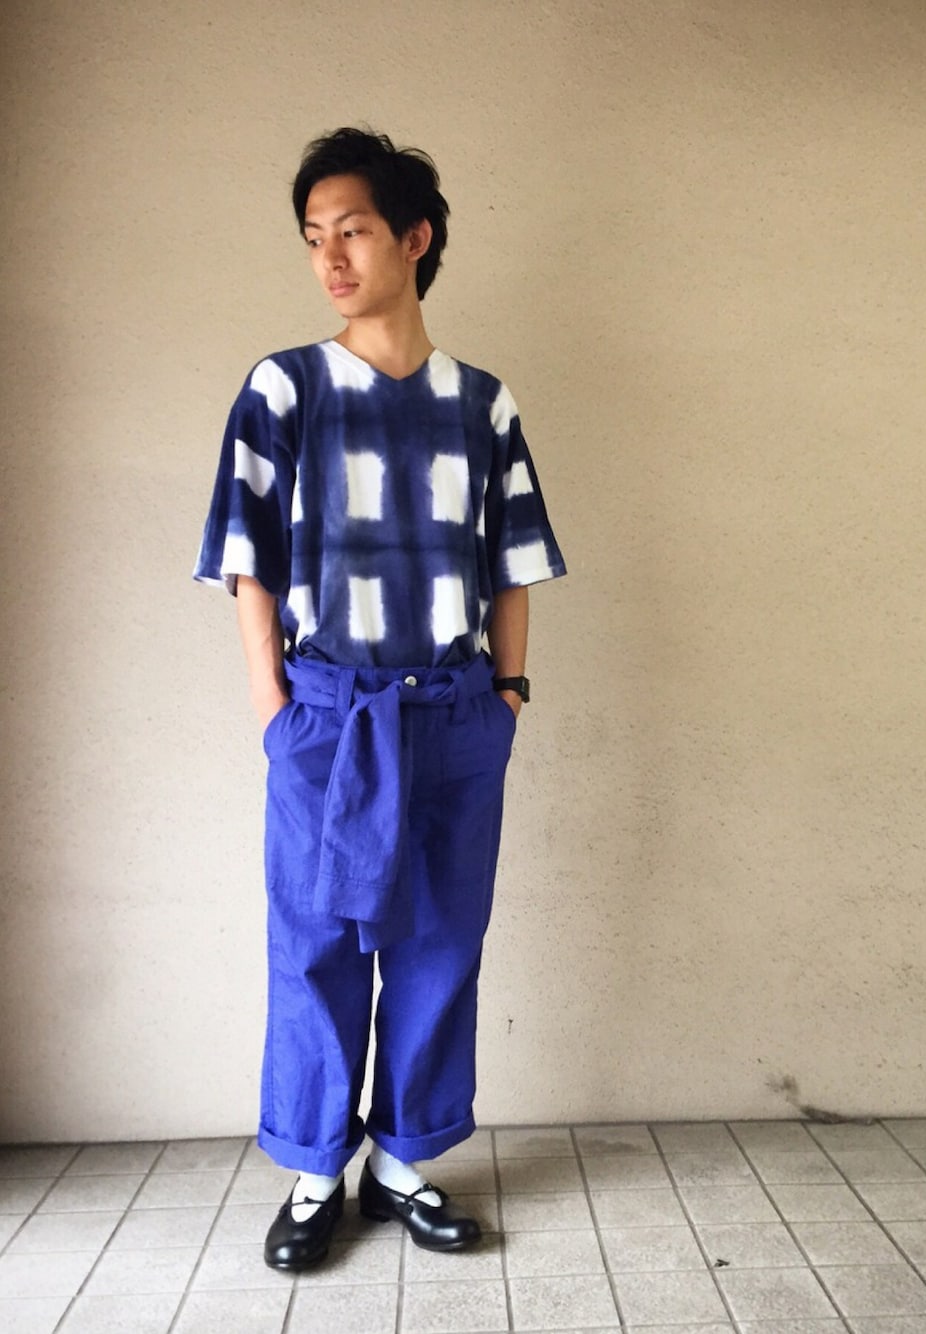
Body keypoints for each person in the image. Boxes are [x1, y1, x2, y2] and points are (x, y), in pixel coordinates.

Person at [194, 127, 566, 1270]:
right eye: (314, 236)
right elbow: (248, 559)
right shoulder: (286, 386)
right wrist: (273, 704)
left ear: (415, 237)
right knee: (314, 942)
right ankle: (316, 1168)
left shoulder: (481, 403)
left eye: (352, 230)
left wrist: (506, 697)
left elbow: (511, 563)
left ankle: (403, 1160)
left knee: (440, 940)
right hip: (328, 713)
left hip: (455, 711)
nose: (330, 257)